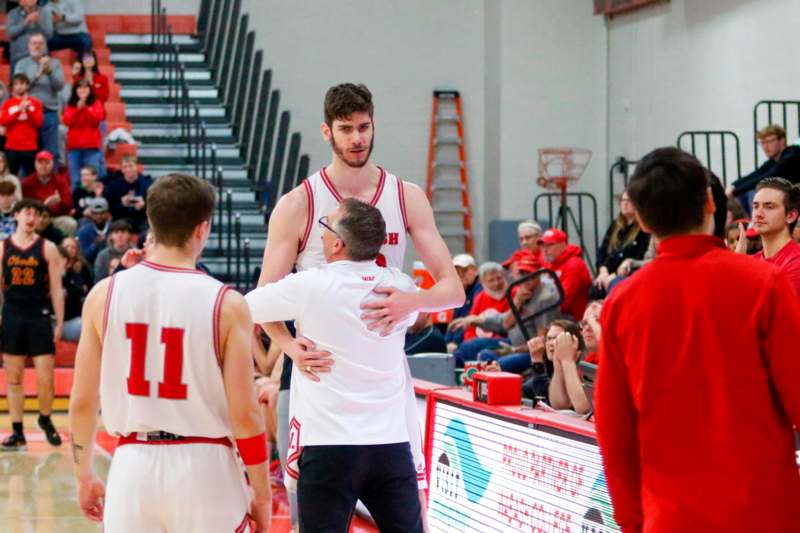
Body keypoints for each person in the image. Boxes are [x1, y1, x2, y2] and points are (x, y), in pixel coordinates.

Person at [257, 82, 464, 531]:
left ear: (374, 125)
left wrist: (415, 299)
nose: (357, 138)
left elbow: (454, 290)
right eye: (346, 129)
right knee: (307, 520)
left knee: (407, 519)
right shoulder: (299, 204)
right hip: (318, 378)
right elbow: (263, 298)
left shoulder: (405, 195)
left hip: (383, 380)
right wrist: (289, 347)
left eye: (364, 127)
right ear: (326, 132)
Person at [595, 147, 800, 531]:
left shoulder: (622, 302)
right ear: (710, 202)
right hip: (765, 513)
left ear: (640, 218)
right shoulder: (763, 284)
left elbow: (614, 433)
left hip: (672, 516)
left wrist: (634, 522)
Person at [68, 173, 271, 531]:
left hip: (133, 466)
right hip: (207, 468)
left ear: (151, 221)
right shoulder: (227, 304)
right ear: (202, 229)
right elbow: (246, 414)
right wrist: (262, 493)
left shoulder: (103, 295)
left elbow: (83, 400)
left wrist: (83, 474)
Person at [247, 199, 424, 532]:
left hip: (329, 443)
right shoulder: (401, 287)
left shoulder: (311, 284)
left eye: (325, 226)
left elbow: (247, 307)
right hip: (390, 443)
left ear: (338, 243)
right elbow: (421, 310)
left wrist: (287, 345)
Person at [1, 198, 64, 450]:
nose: (30, 217)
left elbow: (57, 289)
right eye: (26, 212)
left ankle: (45, 419)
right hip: (13, 315)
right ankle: (17, 430)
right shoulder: (4, 248)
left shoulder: (47, 248)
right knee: (14, 378)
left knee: (45, 377)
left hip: (38, 315)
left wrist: (59, 322)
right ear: (16, 216)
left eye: (35, 214)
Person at [475, 255, 561, 373]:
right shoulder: (521, 292)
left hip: (532, 352)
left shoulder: (544, 299)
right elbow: (506, 324)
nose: (525, 278)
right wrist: (517, 302)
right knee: (483, 354)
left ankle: (502, 390)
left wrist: (513, 350)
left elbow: (542, 342)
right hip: (514, 344)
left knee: (497, 365)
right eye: (521, 273)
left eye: (528, 274)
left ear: (538, 275)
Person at [735, 177, 800, 297]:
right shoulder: (750, 261)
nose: (758, 214)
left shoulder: (796, 262)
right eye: (755, 206)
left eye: (769, 207)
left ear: (791, 216)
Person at [14, 32, 64, 159]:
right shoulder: (22, 64)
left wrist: (49, 72)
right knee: (26, 153)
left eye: (41, 43)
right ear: (29, 46)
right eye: (34, 43)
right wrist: (38, 74)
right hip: (27, 114)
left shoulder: (55, 63)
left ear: (45, 46)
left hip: (49, 113)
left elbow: (59, 86)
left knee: (51, 152)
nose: (37, 46)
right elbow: (18, 87)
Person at [592, 190, 650, 298]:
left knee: (613, 288)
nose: (625, 203)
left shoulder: (643, 229)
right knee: (595, 290)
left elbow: (639, 256)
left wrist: (613, 276)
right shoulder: (615, 225)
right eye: (623, 200)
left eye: (629, 200)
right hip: (608, 272)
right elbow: (602, 250)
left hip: (626, 275)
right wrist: (603, 270)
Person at [730, 124, 800, 213]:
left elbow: (767, 176)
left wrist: (734, 192)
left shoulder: (792, 155)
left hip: (795, 195)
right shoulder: (774, 160)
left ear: (782, 141)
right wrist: (733, 186)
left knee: (755, 192)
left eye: (769, 141)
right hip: (789, 194)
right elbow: (756, 174)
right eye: (762, 142)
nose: (765, 146)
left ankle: (756, 223)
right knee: (747, 193)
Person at [446, 261, 509, 348]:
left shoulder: (513, 293)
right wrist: (468, 340)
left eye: (499, 278)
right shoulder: (481, 297)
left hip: (502, 340)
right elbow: (470, 325)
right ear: (483, 282)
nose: (496, 283)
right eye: (491, 280)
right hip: (478, 341)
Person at [539, 227, 592, 320]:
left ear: (563, 245)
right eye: (543, 246)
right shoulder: (547, 262)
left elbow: (563, 303)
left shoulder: (574, 265)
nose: (545, 250)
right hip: (553, 312)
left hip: (572, 318)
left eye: (550, 245)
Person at [21, 150, 75, 235]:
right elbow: (25, 206)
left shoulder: (60, 180)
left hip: (55, 217)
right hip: (35, 218)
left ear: (52, 164)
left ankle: (62, 247)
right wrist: (44, 205)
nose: (43, 166)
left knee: (70, 223)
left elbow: (69, 205)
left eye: (47, 163)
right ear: (35, 164)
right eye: (40, 163)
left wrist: (60, 202)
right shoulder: (27, 183)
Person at [63, 79, 104, 188]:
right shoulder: (71, 105)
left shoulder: (96, 103)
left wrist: (85, 108)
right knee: (76, 181)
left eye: (86, 87)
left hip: (92, 148)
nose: (83, 90)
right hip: (74, 148)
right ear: (75, 90)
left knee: (92, 180)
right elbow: (67, 121)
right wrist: (77, 109)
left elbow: (96, 121)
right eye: (80, 87)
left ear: (90, 90)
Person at [0, 73, 44, 176]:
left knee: (31, 178)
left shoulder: (35, 103)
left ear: (27, 85)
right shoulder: (8, 104)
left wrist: (28, 110)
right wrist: (19, 110)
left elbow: (38, 123)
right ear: (12, 87)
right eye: (16, 84)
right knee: (10, 177)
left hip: (30, 147)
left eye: (22, 83)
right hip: (12, 147)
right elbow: (3, 121)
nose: (19, 86)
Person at [545, 320, 591, 415]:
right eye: (549, 338)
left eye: (557, 338)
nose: (551, 343)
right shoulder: (551, 363)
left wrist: (566, 360)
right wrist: (558, 361)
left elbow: (583, 408)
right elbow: (558, 405)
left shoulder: (584, 364)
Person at [104, 155, 151, 233]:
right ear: (122, 169)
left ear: (136, 167)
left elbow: (153, 206)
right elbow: (109, 207)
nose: (128, 169)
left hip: (141, 218)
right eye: (125, 167)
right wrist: (121, 204)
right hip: (121, 218)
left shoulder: (147, 184)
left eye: (131, 166)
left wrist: (143, 206)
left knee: (148, 229)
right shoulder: (114, 185)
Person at [59, 236, 92, 341]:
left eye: (73, 247)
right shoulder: (46, 274)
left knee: (88, 325)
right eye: (66, 247)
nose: (69, 250)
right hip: (50, 321)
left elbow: (86, 292)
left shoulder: (78, 271)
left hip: (72, 319)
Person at [6, 0, 53, 74]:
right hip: (18, 56)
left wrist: (39, 22)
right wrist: (25, 22)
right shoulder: (13, 13)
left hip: (40, 56)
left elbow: (49, 35)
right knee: (17, 83)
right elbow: (10, 34)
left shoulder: (45, 12)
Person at [76, 196, 109, 263]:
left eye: (102, 213)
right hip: (91, 265)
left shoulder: (114, 229)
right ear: (91, 214)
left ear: (107, 214)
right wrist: (95, 245)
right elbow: (83, 256)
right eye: (95, 213)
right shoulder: (83, 231)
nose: (99, 216)